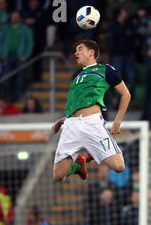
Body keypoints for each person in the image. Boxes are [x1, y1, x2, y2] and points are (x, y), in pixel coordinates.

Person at [51, 40, 131, 182]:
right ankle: (78, 165)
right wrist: (63, 119)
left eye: (80, 49)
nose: (76, 53)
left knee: (119, 166)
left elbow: (126, 94)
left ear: (91, 52)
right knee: (58, 176)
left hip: (91, 123)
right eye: (75, 50)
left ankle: (92, 153)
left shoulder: (105, 69)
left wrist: (117, 121)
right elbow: (76, 104)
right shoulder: (76, 77)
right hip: (71, 125)